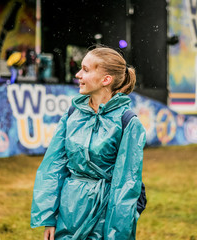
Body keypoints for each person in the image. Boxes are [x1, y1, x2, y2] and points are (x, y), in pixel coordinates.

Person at [30, 45, 146, 239]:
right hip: (69, 213)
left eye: (85, 69)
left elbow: (126, 184)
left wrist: (116, 233)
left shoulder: (127, 122)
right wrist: (49, 218)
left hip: (104, 215)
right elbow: (54, 166)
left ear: (106, 80)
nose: (77, 75)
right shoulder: (72, 115)